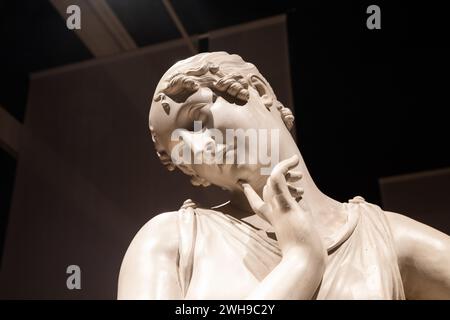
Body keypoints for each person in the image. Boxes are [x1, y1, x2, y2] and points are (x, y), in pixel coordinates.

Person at [118, 52, 450, 299]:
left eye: (197, 119)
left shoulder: (388, 239)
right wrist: (301, 264)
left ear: (259, 90)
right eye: (181, 152)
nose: (196, 147)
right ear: (195, 176)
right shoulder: (170, 241)